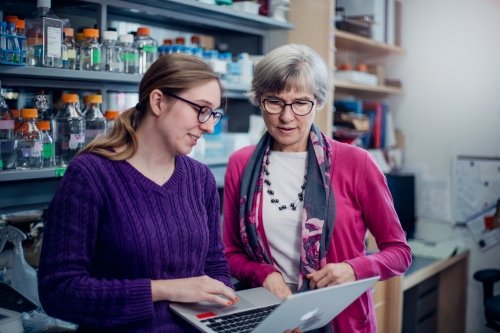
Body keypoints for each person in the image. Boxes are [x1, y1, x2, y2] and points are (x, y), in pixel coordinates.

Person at [38, 53, 239, 332]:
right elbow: (59, 292)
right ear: (158, 101)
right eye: (201, 110)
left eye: (214, 114)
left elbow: (215, 266)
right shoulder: (91, 175)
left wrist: (226, 304)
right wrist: (166, 290)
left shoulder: (199, 178)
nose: (209, 126)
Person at [222, 44, 412, 333]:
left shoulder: (356, 162)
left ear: (319, 101)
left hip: (340, 321)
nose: (287, 117)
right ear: (259, 100)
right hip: (269, 320)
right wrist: (263, 274)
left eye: (300, 103)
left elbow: (399, 252)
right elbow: (230, 252)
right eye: (274, 102)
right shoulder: (241, 163)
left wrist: (353, 269)